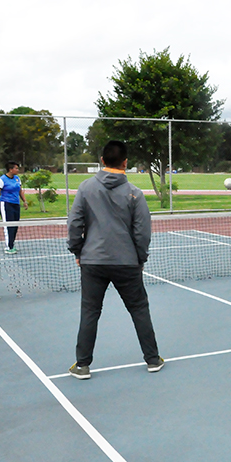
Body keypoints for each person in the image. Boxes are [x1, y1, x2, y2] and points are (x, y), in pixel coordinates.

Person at [67, 140, 163, 379]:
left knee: (90, 310)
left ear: (101, 160)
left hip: (93, 261)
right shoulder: (135, 193)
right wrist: (140, 258)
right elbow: (142, 232)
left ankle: (82, 365)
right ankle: (152, 359)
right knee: (139, 309)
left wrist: (78, 251)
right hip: (127, 262)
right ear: (126, 163)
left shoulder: (85, 188)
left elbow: (74, 224)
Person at [0, 162, 28, 253]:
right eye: (16, 168)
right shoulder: (2, 180)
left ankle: (11, 244)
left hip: (16, 204)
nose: (18, 170)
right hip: (6, 204)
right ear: (10, 169)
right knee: (8, 225)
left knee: (15, 225)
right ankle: (9, 247)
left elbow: (20, 191)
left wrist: (24, 201)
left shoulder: (17, 179)